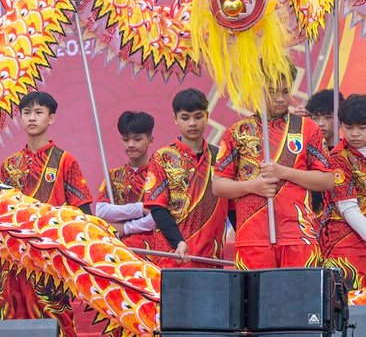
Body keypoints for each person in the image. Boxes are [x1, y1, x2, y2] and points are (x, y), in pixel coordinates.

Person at [0, 91, 95, 337]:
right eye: (26, 112)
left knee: (59, 324)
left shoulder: (65, 162)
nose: (31, 117)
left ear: (51, 118)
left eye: (38, 112)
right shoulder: (9, 166)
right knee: (14, 326)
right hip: (13, 262)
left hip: (51, 262)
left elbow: (83, 211)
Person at [95, 112, 186, 337]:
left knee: (159, 318)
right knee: (120, 316)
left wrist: (129, 224)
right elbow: (101, 212)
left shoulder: (160, 173)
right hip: (121, 258)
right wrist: (140, 210)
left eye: (137, 139)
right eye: (126, 139)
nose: (131, 144)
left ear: (150, 139)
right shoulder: (115, 177)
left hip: (156, 255)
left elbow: (158, 216)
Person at [211, 80, 335, 270]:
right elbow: (218, 186)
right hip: (253, 236)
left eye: (285, 92)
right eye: (271, 92)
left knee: (299, 298)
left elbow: (327, 180)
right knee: (257, 298)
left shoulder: (307, 128)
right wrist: (251, 186)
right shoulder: (237, 132)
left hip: (298, 234)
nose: (280, 99)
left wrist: (284, 172)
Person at [143, 88, 229, 264]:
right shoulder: (163, 157)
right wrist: (178, 241)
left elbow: (233, 208)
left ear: (207, 115)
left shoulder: (221, 157)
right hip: (173, 255)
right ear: (175, 119)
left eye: (198, 116)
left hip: (211, 259)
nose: (192, 123)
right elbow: (157, 208)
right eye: (185, 117)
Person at [319, 94, 366, 289]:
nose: (355, 134)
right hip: (347, 243)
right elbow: (348, 208)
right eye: (349, 128)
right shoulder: (338, 158)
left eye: (362, 128)